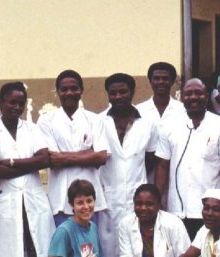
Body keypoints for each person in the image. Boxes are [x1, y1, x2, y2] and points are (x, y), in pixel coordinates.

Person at [155, 78, 220, 240]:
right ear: (181, 97)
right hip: (177, 208)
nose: (193, 97)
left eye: (198, 93)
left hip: (210, 210)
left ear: (206, 96)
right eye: (188, 94)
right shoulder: (169, 125)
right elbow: (162, 165)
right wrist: (157, 199)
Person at [0, 82, 55, 257]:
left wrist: (11, 162)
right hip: (6, 202)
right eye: (12, 102)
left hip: (34, 200)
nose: (17, 107)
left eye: (21, 103)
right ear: (0, 102)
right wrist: (32, 164)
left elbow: (45, 159)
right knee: (10, 249)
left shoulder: (32, 129)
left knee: (37, 247)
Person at [37, 70, 108, 227]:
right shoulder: (47, 120)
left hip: (91, 202)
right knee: (65, 248)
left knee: (89, 249)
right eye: (64, 89)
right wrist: (88, 154)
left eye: (74, 88)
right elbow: (53, 159)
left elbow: (101, 157)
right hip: (61, 201)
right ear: (58, 92)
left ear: (81, 90)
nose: (69, 93)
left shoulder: (94, 119)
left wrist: (65, 157)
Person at [98, 73, 158, 257]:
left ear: (132, 92)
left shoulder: (148, 123)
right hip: (108, 197)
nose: (118, 97)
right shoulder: (98, 121)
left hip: (138, 197)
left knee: (141, 244)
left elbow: (151, 158)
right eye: (113, 93)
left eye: (123, 92)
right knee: (108, 246)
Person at [136, 62, 186, 183]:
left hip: (176, 172)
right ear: (150, 81)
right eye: (156, 78)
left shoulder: (183, 110)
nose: (161, 82)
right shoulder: (139, 110)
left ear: (173, 81)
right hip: (145, 173)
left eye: (165, 78)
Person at [118, 184, 190, 257]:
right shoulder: (126, 223)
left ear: (159, 205)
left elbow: (185, 254)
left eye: (149, 204)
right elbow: (126, 254)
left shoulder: (174, 223)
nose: (143, 208)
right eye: (139, 203)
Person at [48, 179, 103, 257]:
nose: (86, 207)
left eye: (89, 201)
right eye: (80, 203)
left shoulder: (93, 227)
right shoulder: (64, 232)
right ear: (72, 205)